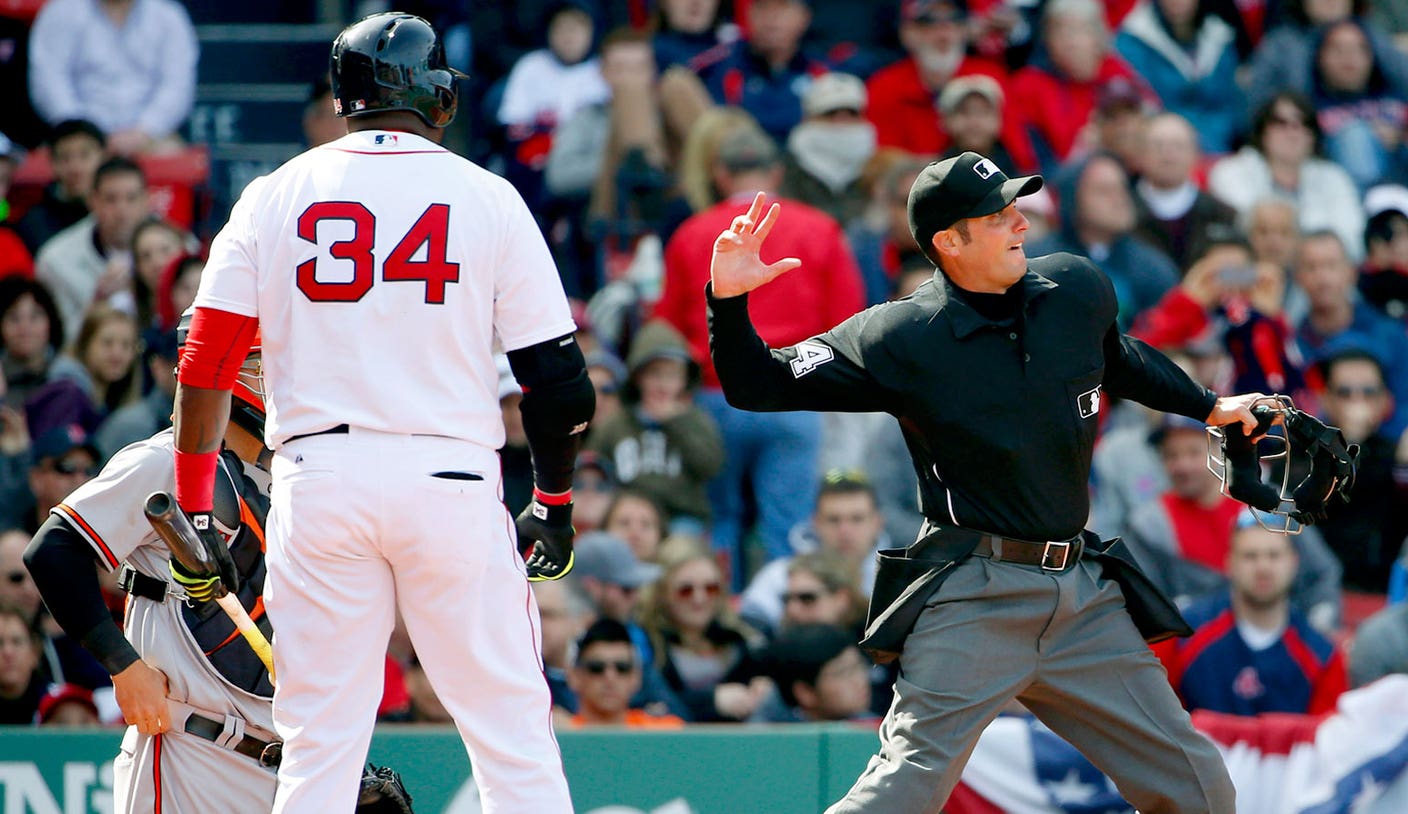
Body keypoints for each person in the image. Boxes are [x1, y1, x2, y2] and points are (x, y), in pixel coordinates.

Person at [705, 150, 1264, 811]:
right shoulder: (900, 335)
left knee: (1199, 788)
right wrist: (729, 302)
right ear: (950, 240)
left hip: (1080, 594)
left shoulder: (1075, 289)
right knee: (901, 792)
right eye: (997, 215)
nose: (1020, 223)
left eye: (1015, 207)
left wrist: (1209, 405)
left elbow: (1116, 358)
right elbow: (757, 383)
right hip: (974, 594)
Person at [168, 14, 591, 812]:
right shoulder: (486, 195)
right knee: (512, 741)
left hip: (319, 479)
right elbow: (559, 381)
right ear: (434, 95)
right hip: (451, 480)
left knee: (318, 749)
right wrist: (554, 504)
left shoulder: (275, 192)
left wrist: (197, 510)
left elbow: (206, 361)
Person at [22, 321, 276, 810]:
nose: (278, 379)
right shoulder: (166, 460)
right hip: (193, 750)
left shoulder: (293, 472)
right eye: (260, 365)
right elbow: (54, 549)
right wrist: (123, 666)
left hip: (282, 758)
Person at [655, 126, 864, 584]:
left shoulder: (693, 232)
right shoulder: (820, 227)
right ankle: (783, 614)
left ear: (720, 174)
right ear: (776, 171)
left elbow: (665, 326)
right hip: (797, 391)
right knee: (788, 525)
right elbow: (849, 319)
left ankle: (719, 612)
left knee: (720, 521)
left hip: (717, 394)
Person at [1154, 517, 1349, 716]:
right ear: (1229, 562)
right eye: (1250, 556)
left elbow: (1327, 737)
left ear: (1294, 563)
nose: (1263, 568)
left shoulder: (1322, 656)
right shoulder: (1181, 636)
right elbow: (1153, 714)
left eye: (1274, 556)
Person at [587, 321, 723, 530]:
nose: (663, 384)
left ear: (685, 380)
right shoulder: (618, 422)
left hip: (681, 515)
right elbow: (593, 465)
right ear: (638, 377)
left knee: (684, 541)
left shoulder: (695, 419)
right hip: (627, 517)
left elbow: (710, 466)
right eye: (655, 374)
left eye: (672, 375)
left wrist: (677, 422)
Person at [1026, 152, 1179, 330]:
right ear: (1073, 198)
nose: (1119, 199)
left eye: (1122, 188)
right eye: (1104, 191)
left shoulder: (1152, 267)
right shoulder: (1036, 262)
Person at [27, 0, 199, 155]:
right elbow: (49, 82)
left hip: (150, 137)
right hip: (76, 136)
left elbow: (176, 87)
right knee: (63, 160)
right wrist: (85, 133)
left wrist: (142, 132)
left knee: (171, 156)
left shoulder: (168, 15)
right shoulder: (61, 11)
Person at [1208, 92, 1364, 261]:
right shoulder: (1230, 172)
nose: (1292, 133)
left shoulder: (1334, 178)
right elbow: (1241, 232)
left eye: (1302, 125)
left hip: (1314, 274)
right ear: (1263, 131)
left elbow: (1352, 242)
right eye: (1281, 124)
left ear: (1313, 136)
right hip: (1249, 272)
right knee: (1224, 275)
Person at [739, 470, 885, 639]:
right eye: (834, 519)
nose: (845, 531)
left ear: (877, 523)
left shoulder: (899, 579)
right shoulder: (779, 576)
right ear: (815, 523)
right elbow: (750, 635)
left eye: (856, 519)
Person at [1293, 230, 1408, 438]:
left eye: (1331, 266)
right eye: (1311, 267)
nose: (1322, 277)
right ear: (1298, 277)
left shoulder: (1390, 334)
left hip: (1384, 453)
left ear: (1351, 272)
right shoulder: (1291, 340)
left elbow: (1404, 404)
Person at [34, 157, 151, 343]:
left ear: (146, 200)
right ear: (93, 201)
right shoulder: (55, 260)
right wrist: (97, 302)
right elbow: (56, 342)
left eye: (131, 198)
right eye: (111, 199)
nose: (122, 210)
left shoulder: (177, 248)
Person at [1114, 0, 1243, 153]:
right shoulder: (1134, 39)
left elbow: (1229, 105)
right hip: (1160, 147)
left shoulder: (1219, 37)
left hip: (1217, 148)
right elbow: (1144, 105)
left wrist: (1208, 141)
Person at [1133, 113, 1240, 270]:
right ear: (1141, 154)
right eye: (1158, 145)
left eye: (1178, 146)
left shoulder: (1223, 215)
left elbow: (1241, 274)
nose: (1168, 154)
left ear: (1196, 154)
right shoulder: (1122, 214)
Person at [780, 72, 877, 227]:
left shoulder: (878, 167)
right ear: (809, 118)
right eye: (830, 114)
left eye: (851, 113)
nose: (841, 123)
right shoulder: (786, 170)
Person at [566, 618, 686, 728]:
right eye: (596, 668)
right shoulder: (557, 735)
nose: (610, 677)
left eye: (622, 668)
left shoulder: (663, 733)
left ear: (636, 677)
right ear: (574, 676)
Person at [15, 120, 106, 254]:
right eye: (65, 157)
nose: (76, 168)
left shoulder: (118, 210)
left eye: (85, 155)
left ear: (104, 157)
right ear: (52, 164)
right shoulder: (34, 223)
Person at [755, 623, 874, 723]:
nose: (860, 681)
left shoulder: (876, 726)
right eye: (843, 673)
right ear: (805, 692)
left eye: (859, 666)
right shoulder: (762, 738)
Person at [0, 602, 45, 724]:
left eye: (17, 642)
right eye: (0, 643)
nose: (8, 652)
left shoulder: (60, 706)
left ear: (34, 652)